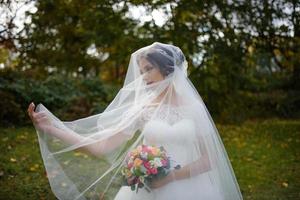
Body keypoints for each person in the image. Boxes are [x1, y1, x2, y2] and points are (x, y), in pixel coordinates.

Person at [28, 42, 243, 200]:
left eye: (149, 69)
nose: (144, 77)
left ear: (168, 69)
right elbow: (101, 147)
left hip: (191, 188)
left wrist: (171, 178)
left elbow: (209, 159)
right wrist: (52, 127)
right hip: (148, 190)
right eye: (141, 71)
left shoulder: (194, 108)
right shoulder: (142, 110)